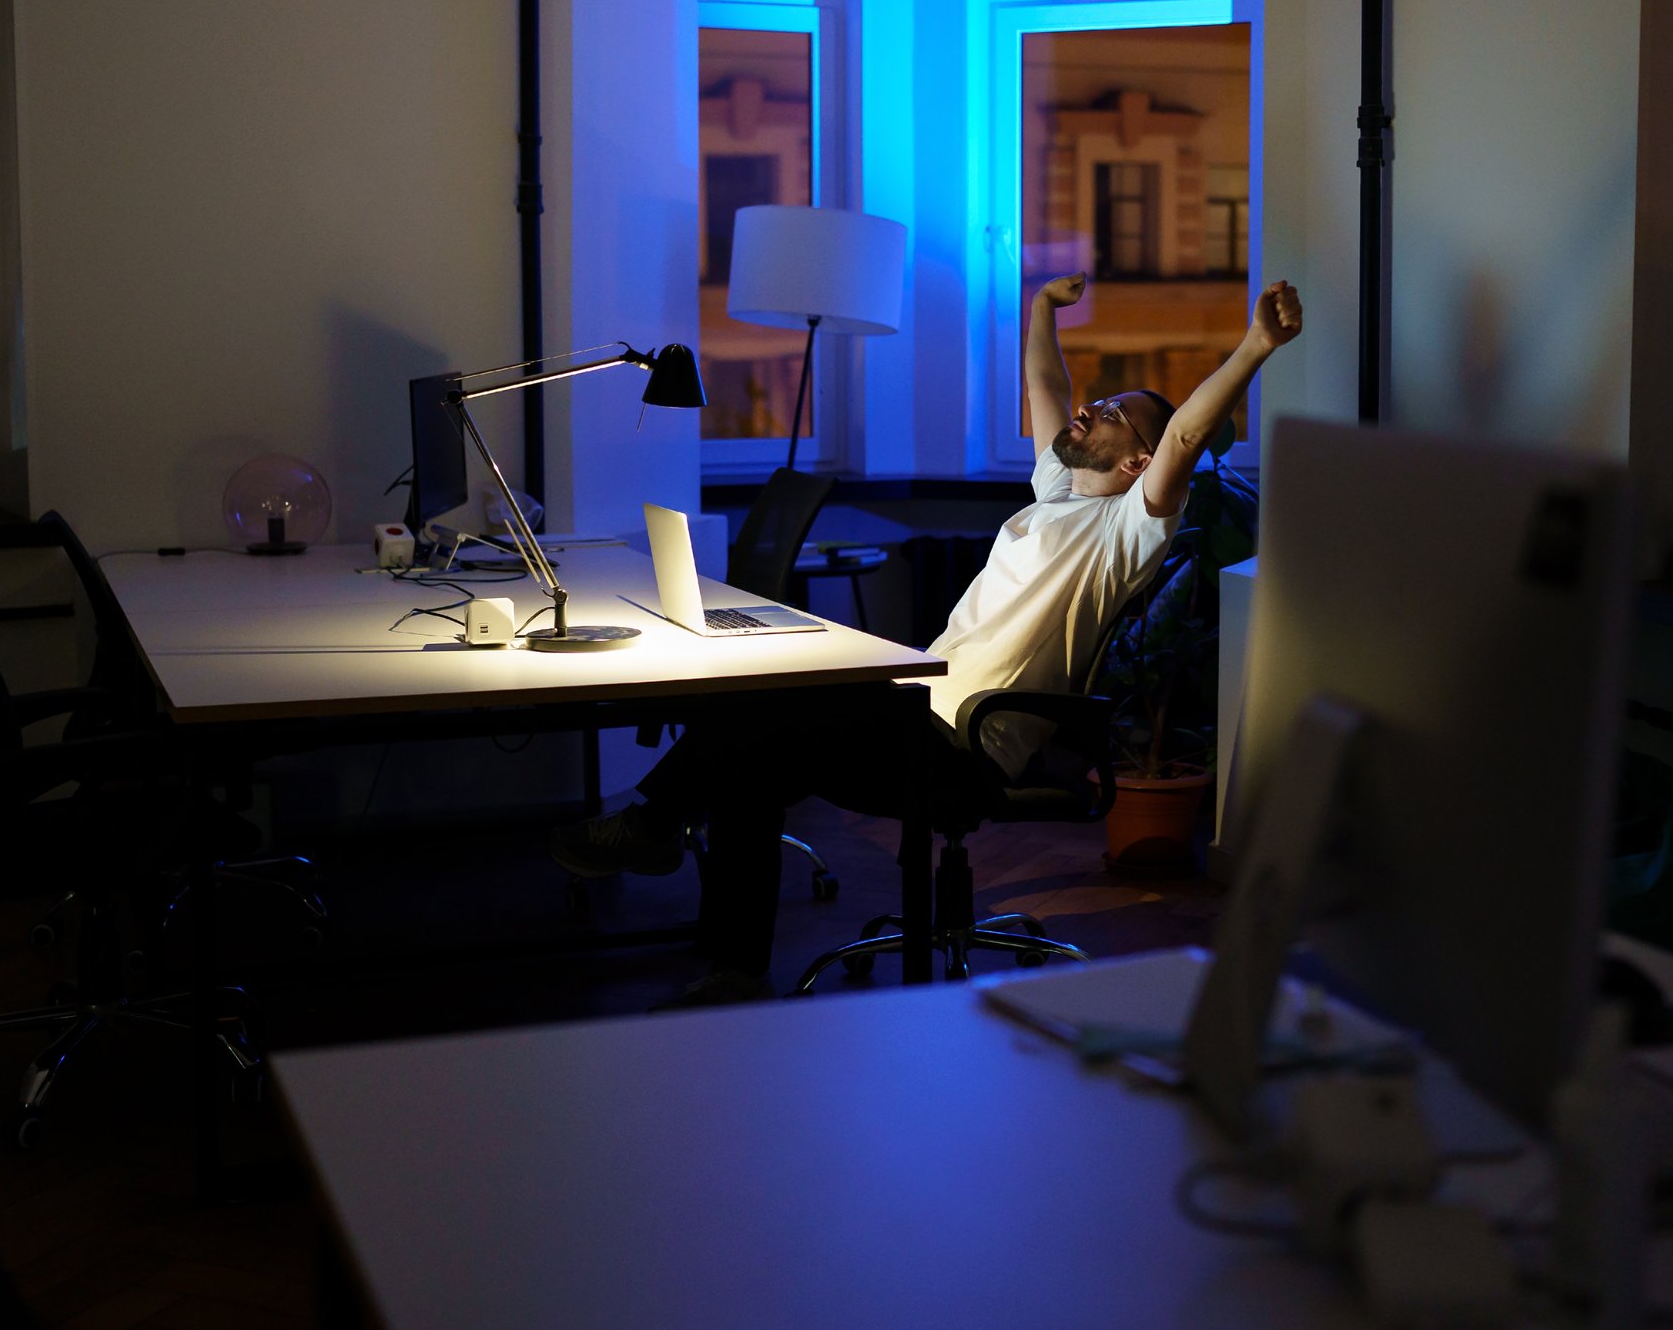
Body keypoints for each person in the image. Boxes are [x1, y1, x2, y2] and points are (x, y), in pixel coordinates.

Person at [554, 273, 1305, 1004]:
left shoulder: (1127, 531)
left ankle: (654, 827)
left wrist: (1253, 347)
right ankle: (732, 966)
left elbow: (1187, 431)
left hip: (965, 747)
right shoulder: (1056, 494)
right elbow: (1046, 384)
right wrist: (1040, 307)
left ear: (1141, 461)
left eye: (1111, 414)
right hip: (917, 709)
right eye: (1097, 402)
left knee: (766, 713)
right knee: (753, 748)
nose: (1088, 410)